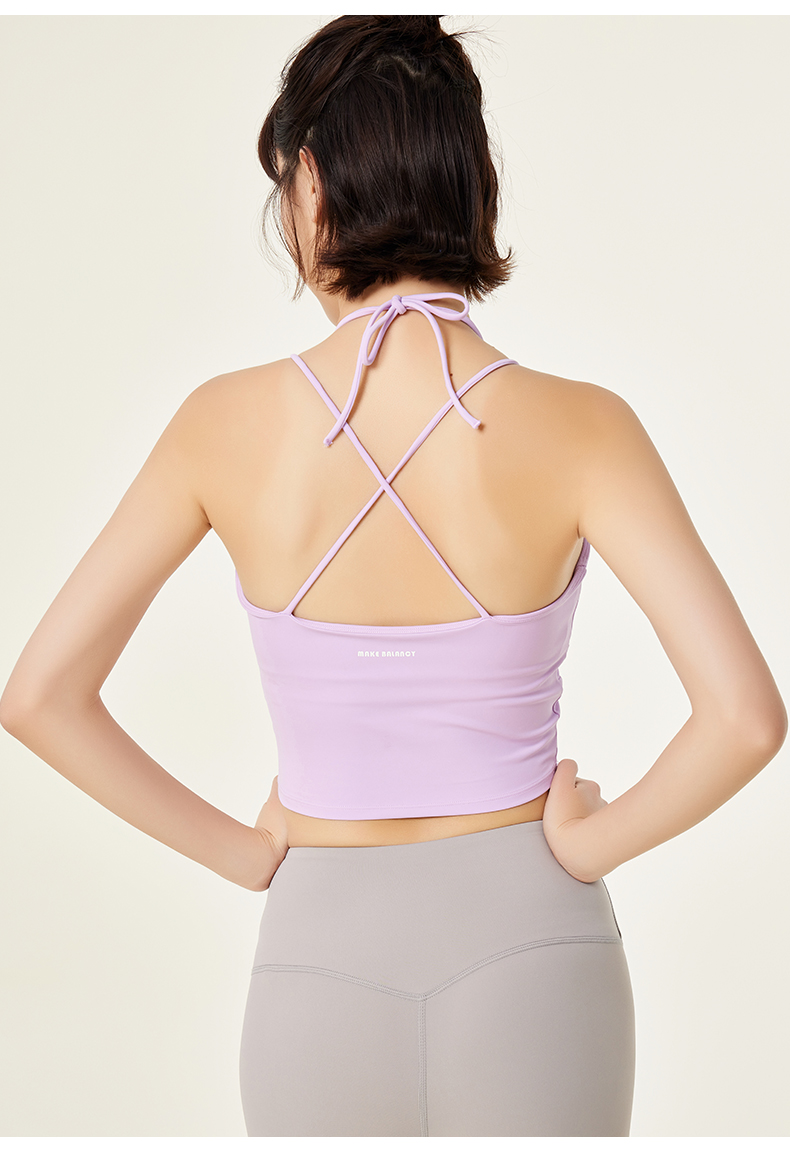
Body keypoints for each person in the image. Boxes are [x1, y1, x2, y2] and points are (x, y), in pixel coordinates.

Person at [1, 13, 785, 1139]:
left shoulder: (220, 426)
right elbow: (745, 719)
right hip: (534, 950)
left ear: (312, 184)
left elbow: (38, 696)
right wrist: (586, 843)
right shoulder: (585, 426)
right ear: (470, 185)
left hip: (317, 956)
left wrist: (248, 852)